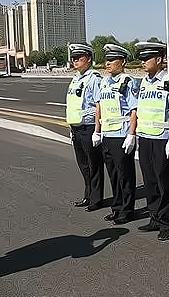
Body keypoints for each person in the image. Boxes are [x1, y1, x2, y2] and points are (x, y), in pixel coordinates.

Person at [134, 41, 169, 241]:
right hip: (145, 137)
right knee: (150, 181)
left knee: (164, 182)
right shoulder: (144, 82)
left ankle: (167, 222)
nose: (143, 62)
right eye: (142, 58)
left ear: (159, 59)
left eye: (147, 59)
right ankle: (154, 217)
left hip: (162, 139)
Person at [93, 43, 139, 225]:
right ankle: (117, 206)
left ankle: (127, 210)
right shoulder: (103, 82)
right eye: (107, 60)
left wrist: (131, 134)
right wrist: (97, 131)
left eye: (112, 60)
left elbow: (134, 109)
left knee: (124, 175)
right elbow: (99, 107)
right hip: (107, 135)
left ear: (123, 61)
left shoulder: (128, 81)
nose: (108, 63)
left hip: (121, 135)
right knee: (113, 174)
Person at [66, 43, 105, 212]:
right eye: (73, 58)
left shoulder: (94, 78)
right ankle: (87, 195)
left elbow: (99, 105)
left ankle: (96, 199)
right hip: (77, 128)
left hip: (89, 128)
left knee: (94, 164)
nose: (75, 60)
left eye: (78, 58)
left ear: (88, 59)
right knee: (83, 165)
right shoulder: (76, 78)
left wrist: (97, 130)